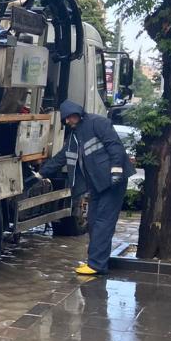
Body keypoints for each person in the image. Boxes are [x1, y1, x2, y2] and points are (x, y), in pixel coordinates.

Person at [38, 100, 134, 275]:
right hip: (97, 184)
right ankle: (95, 262)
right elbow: (62, 157)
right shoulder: (76, 135)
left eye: (68, 118)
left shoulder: (98, 123)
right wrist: (41, 173)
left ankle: (97, 265)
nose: (67, 122)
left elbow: (115, 146)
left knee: (103, 223)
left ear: (76, 114)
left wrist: (116, 172)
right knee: (93, 220)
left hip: (112, 182)